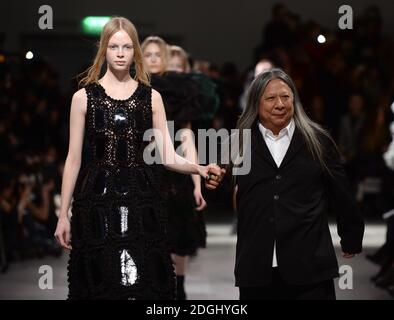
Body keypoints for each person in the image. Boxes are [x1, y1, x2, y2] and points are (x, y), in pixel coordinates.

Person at [54, 17, 223, 300]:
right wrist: (63, 214)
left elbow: (167, 155)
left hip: (141, 198)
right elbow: (73, 159)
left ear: (135, 52)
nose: (120, 53)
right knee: (99, 281)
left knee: (142, 281)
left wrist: (200, 168)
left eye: (127, 47)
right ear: (104, 50)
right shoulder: (83, 98)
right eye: (114, 46)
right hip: (96, 200)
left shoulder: (151, 97)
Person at [206, 68, 364, 300]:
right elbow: (219, 195)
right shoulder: (237, 144)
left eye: (285, 97)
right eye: (270, 98)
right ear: (255, 104)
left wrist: (350, 235)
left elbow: (340, 192)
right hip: (257, 267)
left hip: (310, 265)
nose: (280, 104)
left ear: (294, 100)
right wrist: (214, 182)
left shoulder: (317, 140)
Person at [142, 37, 207, 299]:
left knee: (178, 234)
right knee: (149, 234)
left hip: (174, 171)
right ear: (141, 57)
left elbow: (186, 137)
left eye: (159, 54)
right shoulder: (130, 88)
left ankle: (178, 289)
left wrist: (196, 181)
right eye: (149, 54)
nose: (155, 59)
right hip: (142, 171)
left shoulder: (179, 90)